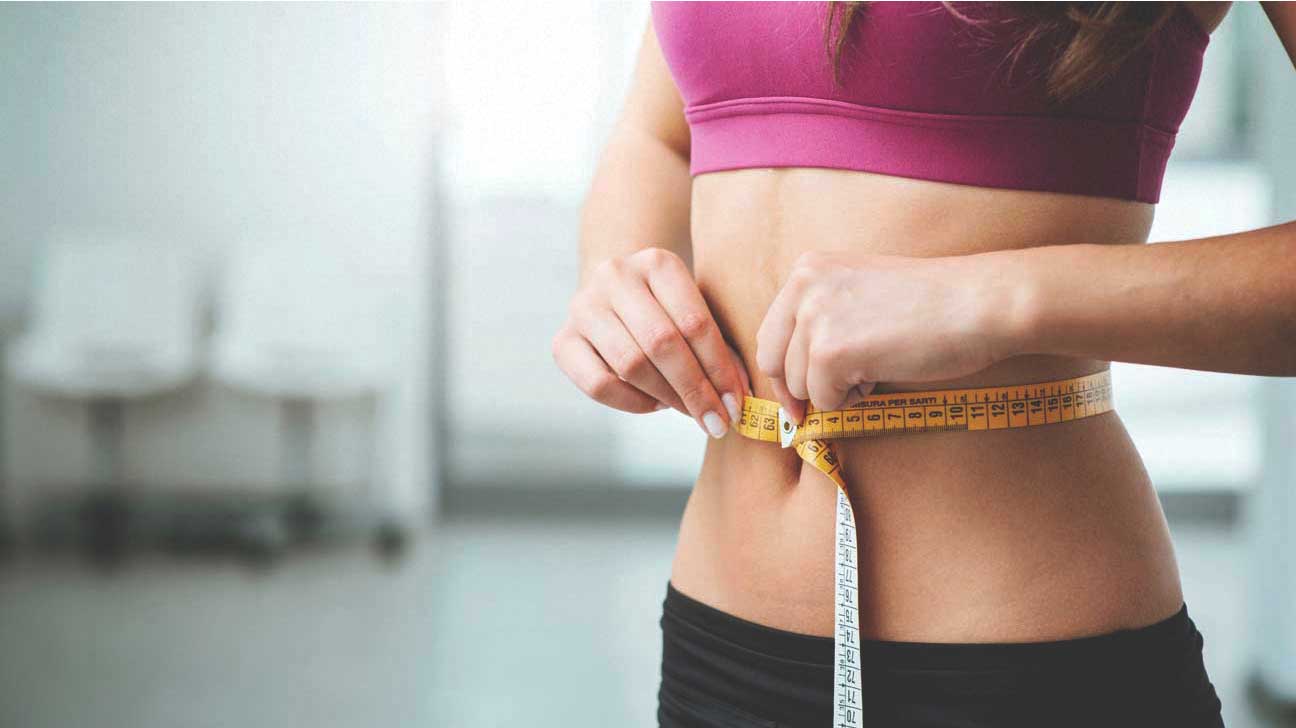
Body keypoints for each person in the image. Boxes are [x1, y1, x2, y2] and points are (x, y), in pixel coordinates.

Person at [551, 2, 1294, 725]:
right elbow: (660, 134)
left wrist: (990, 297)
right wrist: (616, 274)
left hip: (1024, 665)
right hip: (715, 644)